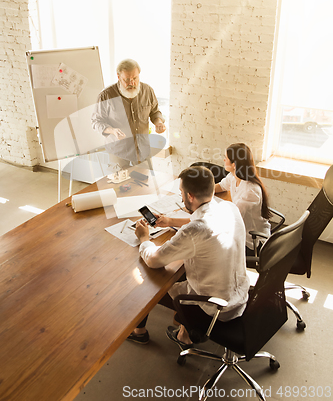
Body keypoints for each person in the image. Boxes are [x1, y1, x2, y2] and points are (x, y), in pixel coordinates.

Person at [131, 166, 250, 347]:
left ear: (190, 196)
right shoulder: (229, 207)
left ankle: (139, 332)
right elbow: (202, 220)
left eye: (181, 192)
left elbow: (154, 260)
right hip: (239, 295)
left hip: (214, 307)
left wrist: (144, 238)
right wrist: (170, 221)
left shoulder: (195, 231)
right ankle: (184, 334)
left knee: (147, 279)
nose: (181, 196)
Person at [91, 59, 166, 167]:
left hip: (142, 150)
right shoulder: (106, 95)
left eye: (135, 78)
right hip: (118, 152)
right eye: (127, 79)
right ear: (118, 77)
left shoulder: (147, 90)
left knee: (145, 182)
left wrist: (158, 122)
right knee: (119, 184)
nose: (132, 83)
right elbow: (96, 122)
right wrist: (112, 130)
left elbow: (155, 112)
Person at [215, 143, 271, 255]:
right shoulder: (234, 176)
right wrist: (199, 191)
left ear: (234, 165)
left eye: (226, 158)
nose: (224, 160)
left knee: (209, 248)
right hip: (240, 228)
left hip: (251, 241)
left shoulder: (251, 191)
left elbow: (230, 219)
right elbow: (220, 186)